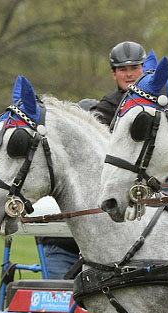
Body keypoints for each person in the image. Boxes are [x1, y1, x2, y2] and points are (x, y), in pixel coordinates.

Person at [39, 43, 146, 279]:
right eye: (122, 69)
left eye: (134, 67)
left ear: (143, 68)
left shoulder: (160, 102)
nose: (129, 74)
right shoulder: (107, 108)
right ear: (113, 73)